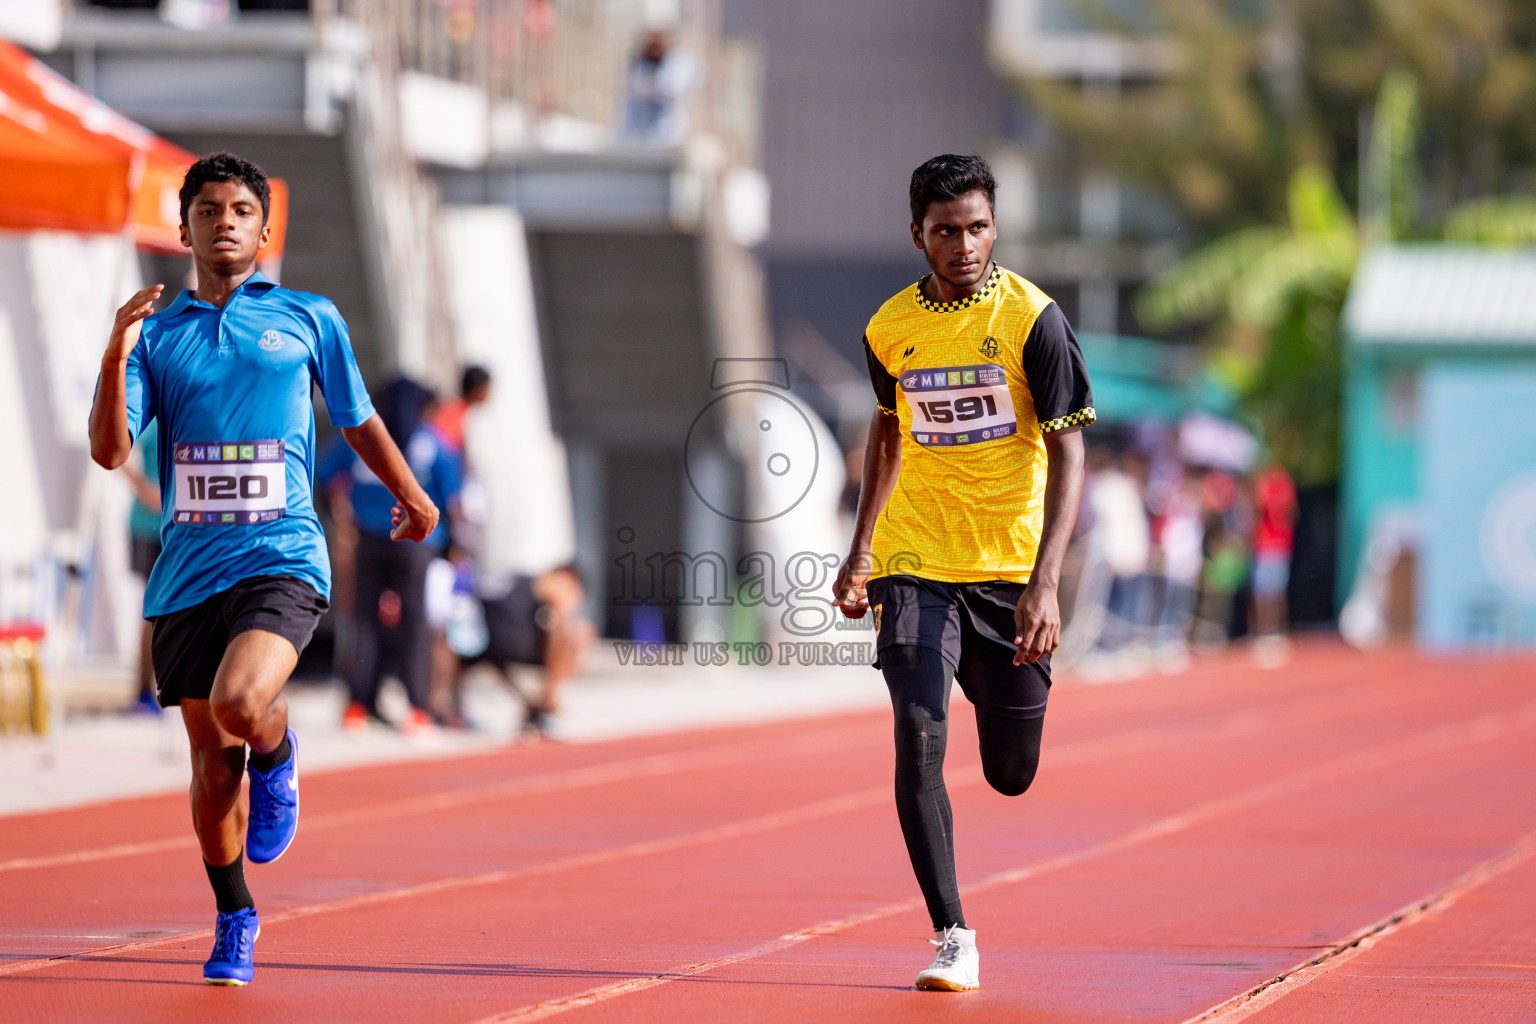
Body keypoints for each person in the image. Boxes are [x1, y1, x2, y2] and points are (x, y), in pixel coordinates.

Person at [87, 152, 439, 987]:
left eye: (241, 210)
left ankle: (278, 761)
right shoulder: (158, 336)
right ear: (184, 229)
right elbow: (109, 452)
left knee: (249, 705)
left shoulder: (310, 318)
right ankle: (235, 914)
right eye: (207, 210)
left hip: (281, 554)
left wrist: (413, 495)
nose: (225, 222)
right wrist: (113, 352)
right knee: (213, 780)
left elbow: (356, 421)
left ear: (265, 227)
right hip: (188, 573)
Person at [832, 154, 1093, 993]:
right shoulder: (888, 327)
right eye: (947, 231)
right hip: (915, 562)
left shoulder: (1033, 321)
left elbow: (1069, 452)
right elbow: (887, 433)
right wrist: (861, 549)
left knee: (1010, 773)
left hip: (1010, 570)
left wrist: (1046, 582)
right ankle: (953, 936)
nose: (965, 243)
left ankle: (987, 678)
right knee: (917, 732)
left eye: (978, 227)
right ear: (918, 236)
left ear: (994, 227)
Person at [320, 378, 462, 733]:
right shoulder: (431, 442)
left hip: (369, 538)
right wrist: (453, 545)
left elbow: (323, 475)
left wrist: (342, 518)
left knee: (365, 619)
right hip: (416, 544)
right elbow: (452, 498)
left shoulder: (362, 437)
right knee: (416, 625)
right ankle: (417, 708)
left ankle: (357, 704)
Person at [442, 562, 595, 740]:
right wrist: (552, 690)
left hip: (477, 641)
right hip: (501, 642)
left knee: (498, 650)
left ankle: (532, 707)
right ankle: (547, 706)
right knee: (582, 632)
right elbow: (558, 627)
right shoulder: (554, 583)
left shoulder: (514, 578)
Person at [121, 419, 163, 714]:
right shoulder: (152, 415)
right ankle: (143, 691)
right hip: (148, 526)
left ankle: (154, 689)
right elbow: (118, 452)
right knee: (152, 612)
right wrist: (145, 490)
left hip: (178, 525)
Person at [429, 364, 490, 457]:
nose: (488, 393)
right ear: (476, 390)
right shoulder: (459, 412)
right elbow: (446, 442)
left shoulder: (453, 405)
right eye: (486, 388)